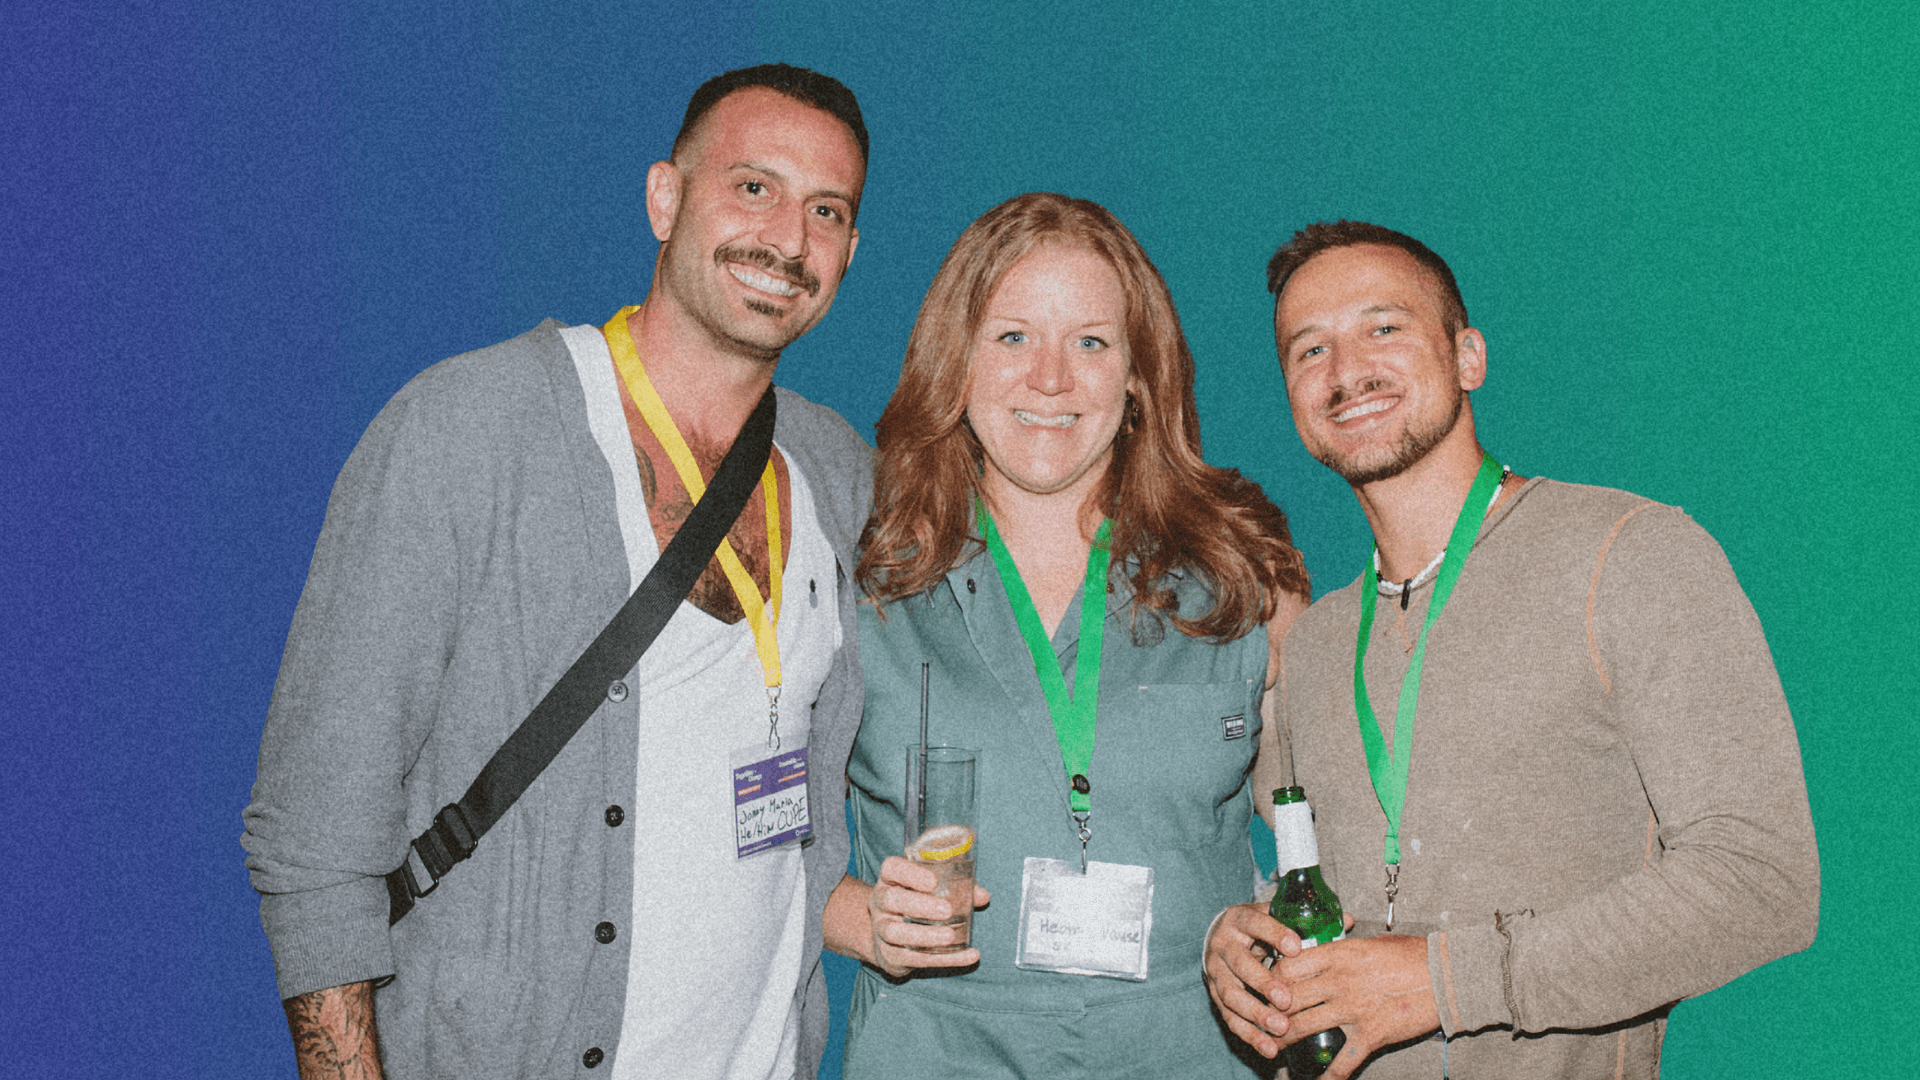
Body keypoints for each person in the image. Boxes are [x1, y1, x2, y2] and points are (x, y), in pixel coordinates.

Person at [243, 64, 875, 1080]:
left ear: (851, 249)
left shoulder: (837, 472)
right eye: (753, 187)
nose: (789, 239)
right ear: (664, 197)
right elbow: (314, 836)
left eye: (827, 210)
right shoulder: (470, 429)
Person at [1204, 220, 1819, 1078]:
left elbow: (1764, 884)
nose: (1346, 371)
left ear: (1468, 358)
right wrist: (1242, 937)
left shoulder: (1632, 554)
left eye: (1383, 327)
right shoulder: (1316, 645)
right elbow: (1332, 897)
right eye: (1310, 350)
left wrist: (1445, 980)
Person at [820, 192, 1312, 1078]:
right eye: (1011, 337)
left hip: (1189, 1052)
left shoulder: (1246, 578)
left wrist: (1277, 915)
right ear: (954, 361)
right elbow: (735, 840)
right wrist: (855, 916)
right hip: (937, 1051)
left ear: (1138, 375)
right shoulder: (855, 575)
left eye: (1090, 341)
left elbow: (1335, 823)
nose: (1050, 378)